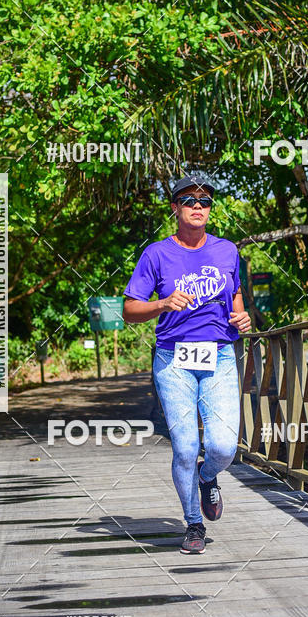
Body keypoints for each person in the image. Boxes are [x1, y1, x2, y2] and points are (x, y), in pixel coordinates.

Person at [122, 173, 251, 554]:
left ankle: (207, 474)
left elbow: (236, 294)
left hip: (220, 355)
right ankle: (194, 523)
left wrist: (241, 318)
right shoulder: (156, 254)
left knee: (224, 445)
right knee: (184, 446)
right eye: (190, 200)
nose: (199, 207)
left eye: (206, 200)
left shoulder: (227, 250)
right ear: (175, 208)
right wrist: (162, 303)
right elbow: (130, 310)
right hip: (173, 359)